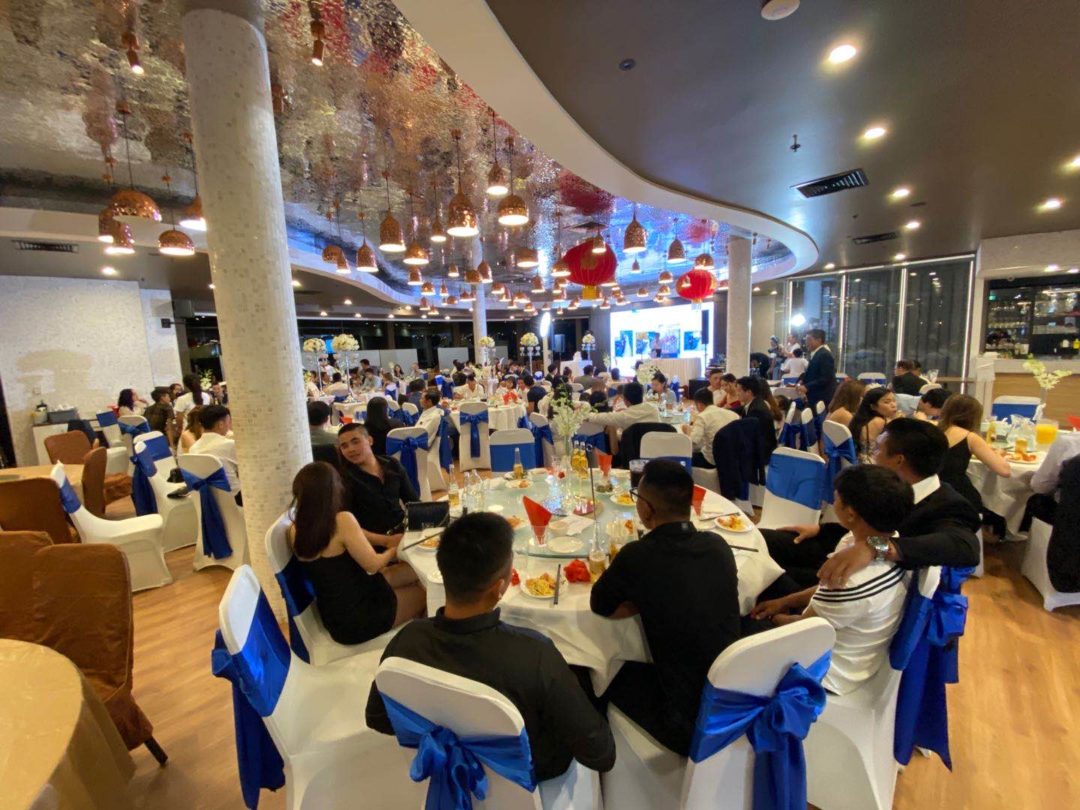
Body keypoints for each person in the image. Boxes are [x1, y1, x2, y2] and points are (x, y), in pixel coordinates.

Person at [366, 512, 615, 779]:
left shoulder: (407, 641)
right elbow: (601, 754)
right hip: (528, 775)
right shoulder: (535, 655)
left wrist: (446, 733)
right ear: (499, 588)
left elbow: (377, 717)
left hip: (444, 771)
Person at [591, 460, 740, 755]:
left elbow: (600, 605)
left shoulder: (638, 556)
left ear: (646, 509)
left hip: (685, 721)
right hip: (734, 697)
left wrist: (641, 598)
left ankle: (613, 765)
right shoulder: (718, 545)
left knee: (599, 677)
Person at [762, 418, 981, 592]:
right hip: (840, 545)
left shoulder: (947, 505)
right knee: (759, 541)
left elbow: (966, 547)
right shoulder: (890, 486)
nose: (872, 457)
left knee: (763, 571)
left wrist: (874, 547)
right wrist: (821, 529)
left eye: (877, 450)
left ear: (898, 460)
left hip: (860, 576)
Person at [752, 465, 913, 695]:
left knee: (737, 625)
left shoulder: (850, 581)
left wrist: (774, 617)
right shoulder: (885, 544)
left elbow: (801, 629)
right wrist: (784, 602)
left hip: (825, 671)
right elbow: (821, 592)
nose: (833, 500)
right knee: (772, 583)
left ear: (850, 514)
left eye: (838, 498)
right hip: (846, 640)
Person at [289, 462, 424, 645]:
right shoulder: (342, 520)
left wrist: (384, 540)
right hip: (360, 617)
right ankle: (417, 645)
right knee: (424, 592)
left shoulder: (297, 529)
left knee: (414, 571)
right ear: (333, 489)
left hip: (337, 614)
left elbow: (354, 534)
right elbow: (374, 565)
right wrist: (394, 550)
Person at [337, 423, 417, 547]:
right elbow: (346, 527)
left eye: (355, 442)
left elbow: (413, 502)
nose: (350, 449)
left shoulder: (392, 464)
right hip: (371, 543)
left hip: (404, 533)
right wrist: (386, 541)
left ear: (370, 440)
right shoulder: (344, 479)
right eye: (344, 446)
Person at [937, 394, 1010, 513]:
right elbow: (1004, 471)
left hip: (932, 493)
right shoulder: (969, 437)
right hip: (957, 496)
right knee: (995, 513)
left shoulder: (934, 430)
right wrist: (998, 454)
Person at [189, 405, 242, 503]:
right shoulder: (229, 445)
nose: (229, 425)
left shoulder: (193, 448)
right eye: (229, 422)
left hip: (207, 501)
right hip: (236, 499)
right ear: (221, 424)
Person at [685, 387, 738, 468]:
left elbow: (693, 443)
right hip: (732, 457)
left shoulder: (702, 416)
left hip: (712, 460)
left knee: (684, 456)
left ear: (699, 404)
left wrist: (688, 432)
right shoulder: (733, 414)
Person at [582, 381, 659, 431]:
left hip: (633, 453)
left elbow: (600, 417)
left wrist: (582, 414)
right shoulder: (654, 408)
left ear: (625, 400)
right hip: (655, 449)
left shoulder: (624, 416)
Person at [735, 376, 780, 460]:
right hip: (760, 446)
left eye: (739, 390)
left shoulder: (756, 411)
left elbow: (748, 436)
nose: (737, 393)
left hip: (761, 452)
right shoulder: (756, 402)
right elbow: (739, 409)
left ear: (748, 392)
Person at [849, 388, 898, 462]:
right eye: (887, 402)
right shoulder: (878, 421)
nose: (893, 405)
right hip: (871, 463)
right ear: (873, 407)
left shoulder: (866, 418)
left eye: (894, 401)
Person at [802, 329, 838, 410]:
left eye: (809, 340)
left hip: (821, 396)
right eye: (806, 340)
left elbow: (825, 378)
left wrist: (807, 386)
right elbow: (813, 373)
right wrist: (802, 381)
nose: (806, 343)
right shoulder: (817, 353)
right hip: (814, 395)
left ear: (819, 340)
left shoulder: (824, 354)